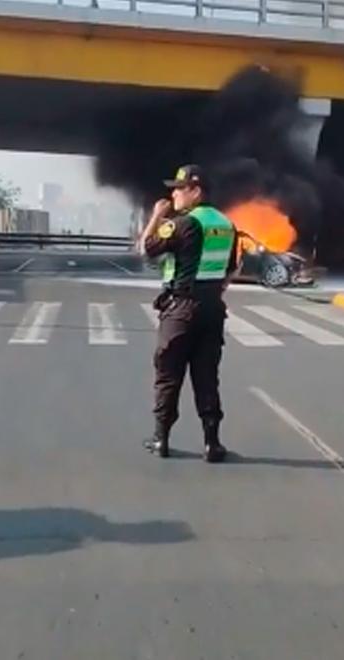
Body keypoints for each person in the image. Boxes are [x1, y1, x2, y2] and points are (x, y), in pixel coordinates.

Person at [137, 164, 239, 462]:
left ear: (196, 191)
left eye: (180, 189)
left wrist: (157, 215)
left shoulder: (183, 224)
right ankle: (212, 443)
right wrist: (215, 292)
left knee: (168, 373)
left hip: (181, 307)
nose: (174, 194)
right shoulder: (226, 224)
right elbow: (233, 268)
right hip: (213, 308)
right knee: (207, 376)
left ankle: (161, 439)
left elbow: (147, 249)